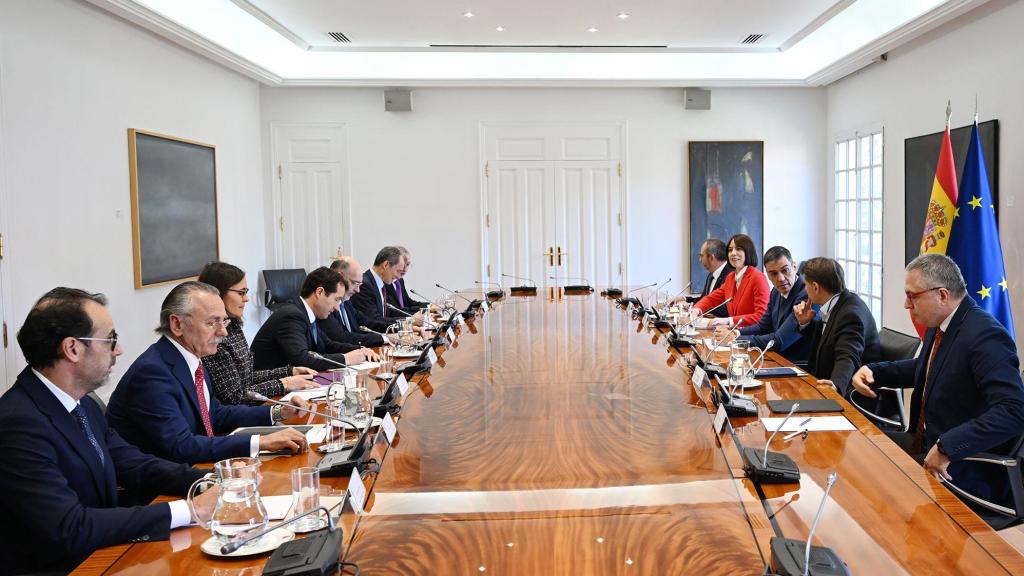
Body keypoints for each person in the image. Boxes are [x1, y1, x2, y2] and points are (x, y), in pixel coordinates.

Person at [0, 288, 217, 574]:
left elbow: (134, 464)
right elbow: (70, 526)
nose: (119, 350)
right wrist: (188, 510)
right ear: (72, 349)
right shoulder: (18, 424)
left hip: (107, 553)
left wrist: (213, 480)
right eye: (110, 339)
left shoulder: (83, 404)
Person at [851, 254, 1024, 508]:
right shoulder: (942, 322)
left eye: (912, 295)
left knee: (874, 490)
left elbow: (1014, 410)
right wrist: (874, 371)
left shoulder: (985, 335)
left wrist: (947, 447)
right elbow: (927, 369)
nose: (906, 305)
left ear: (942, 295)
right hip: (924, 442)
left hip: (959, 465)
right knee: (857, 453)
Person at [108, 282, 310, 465]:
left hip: (199, 465)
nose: (223, 332)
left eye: (224, 322)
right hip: (165, 487)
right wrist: (261, 442)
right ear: (177, 325)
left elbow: (215, 413)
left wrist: (278, 411)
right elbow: (181, 447)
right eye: (212, 323)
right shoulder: (152, 374)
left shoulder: (191, 358)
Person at [197, 262, 319, 405]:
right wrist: (284, 384)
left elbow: (247, 378)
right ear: (217, 293)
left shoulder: (233, 326)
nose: (247, 298)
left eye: (246, 292)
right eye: (241, 293)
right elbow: (234, 397)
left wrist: (289, 372)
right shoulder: (215, 339)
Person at [250, 267, 379, 373]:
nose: (337, 307)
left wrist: (360, 350)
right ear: (320, 292)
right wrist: (346, 359)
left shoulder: (307, 313)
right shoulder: (291, 316)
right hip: (270, 391)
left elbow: (328, 345)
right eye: (336, 299)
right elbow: (302, 359)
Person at [793, 257, 880, 396]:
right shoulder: (836, 303)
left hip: (851, 397)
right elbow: (826, 340)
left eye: (805, 285)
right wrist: (805, 322)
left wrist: (836, 385)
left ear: (815, 287)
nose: (804, 289)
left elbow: (848, 356)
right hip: (819, 384)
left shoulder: (850, 315)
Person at [734, 246, 814, 364]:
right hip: (775, 359)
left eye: (785, 270)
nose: (780, 278)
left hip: (796, 365)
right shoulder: (776, 291)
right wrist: (736, 333)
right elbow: (763, 326)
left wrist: (737, 341)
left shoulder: (806, 294)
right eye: (773, 274)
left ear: (794, 267)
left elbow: (779, 341)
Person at [691, 234, 770, 327]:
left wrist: (729, 320)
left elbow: (761, 316)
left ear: (748, 252)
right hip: (732, 334)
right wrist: (696, 309)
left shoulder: (758, 277)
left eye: (738, 249)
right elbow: (712, 299)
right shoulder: (731, 277)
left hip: (751, 336)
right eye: (730, 250)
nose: (733, 253)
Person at [319, 257, 389, 347]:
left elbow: (368, 322)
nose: (358, 290)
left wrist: (398, 328)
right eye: (355, 283)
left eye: (359, 285)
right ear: (340, 278)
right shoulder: (325, 306)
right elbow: (342, 338)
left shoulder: (346, 302)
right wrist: (385, 338)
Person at [351, 246, 408, 325]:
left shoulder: (379, 283)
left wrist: (410, 319)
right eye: (398, 271)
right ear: (386, 265)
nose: (399, 277)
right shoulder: (365, 285)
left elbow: (386, 312)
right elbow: (373, 319)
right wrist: (408, 322)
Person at [683, 238, 733, 318]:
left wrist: (693, 307)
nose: (700, 260)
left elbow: (725, 309)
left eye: (702, 256)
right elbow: (704, 299)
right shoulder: (711, 275)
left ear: (711, 258)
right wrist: (684, 299)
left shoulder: (730, 276)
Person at [387, 246, 431, 314]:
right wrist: (427, 309)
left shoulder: (400, 281)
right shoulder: (385, 282)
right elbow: (396, 310)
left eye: (407, 264)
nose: (404, 269)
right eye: (401, 265)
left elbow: (407, 302)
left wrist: (430, 305)